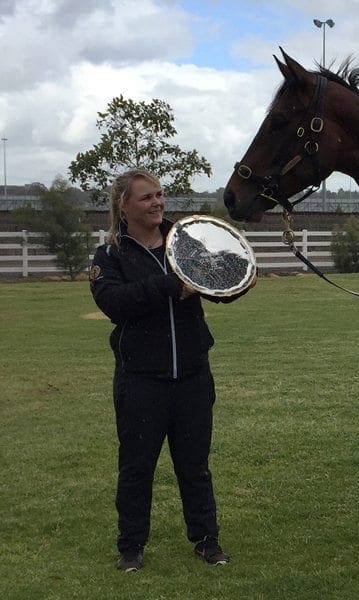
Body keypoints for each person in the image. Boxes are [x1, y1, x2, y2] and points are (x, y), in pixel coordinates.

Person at [89, 169, 253, 572]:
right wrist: (168, 285)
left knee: (195, 466)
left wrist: (237, 277)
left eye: (159, 195)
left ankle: (207, 541)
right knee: (137, 468)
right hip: (141, 381)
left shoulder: (185, 242)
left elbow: (219, 282)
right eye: (146, 197)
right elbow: (114, 302)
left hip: (194, 378)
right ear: (123, 206)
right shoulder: (109, 255)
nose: (157, 202)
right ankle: (131, 549)